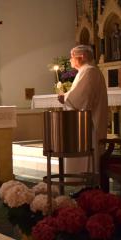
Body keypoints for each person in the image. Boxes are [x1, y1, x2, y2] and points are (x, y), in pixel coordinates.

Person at [58, 45, 108, 173]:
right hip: (85, 123)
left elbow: (81, 99)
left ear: (82, 57)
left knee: (87, 160)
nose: (70, 60)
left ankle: (87, 186)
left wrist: (65, 97)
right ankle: (85, 187)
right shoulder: (87, 71)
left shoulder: (89, 71)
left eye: (72, 56)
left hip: (88, 125)